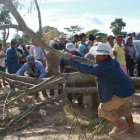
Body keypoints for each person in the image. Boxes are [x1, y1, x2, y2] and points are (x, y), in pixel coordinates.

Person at [66, 42, 135, 137]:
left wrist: (71, 60)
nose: (95, 57)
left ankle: (120, 128)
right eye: (95, 54)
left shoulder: (104, 67)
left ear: (105, 55)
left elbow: (88, 69)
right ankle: (132, 130)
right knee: (125, 108)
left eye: (98, 55)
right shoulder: (113, 62)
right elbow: (106, 74)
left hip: (120, 94)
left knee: (102, 110)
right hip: (127, 91)